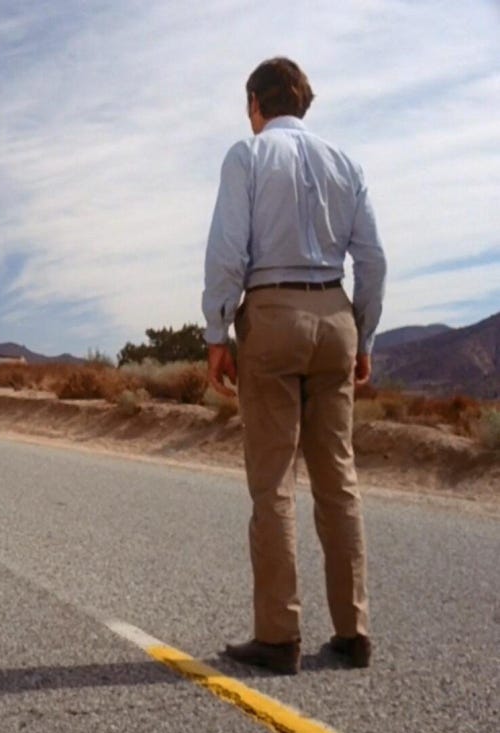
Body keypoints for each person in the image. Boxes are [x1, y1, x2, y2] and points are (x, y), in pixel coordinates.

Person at [202, 57, 387, 675]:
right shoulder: (346, 163)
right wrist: (362, 334)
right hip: (336, 315)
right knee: (338, 478)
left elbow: (229, 249)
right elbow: (374, 259)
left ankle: (279, 637)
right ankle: (353, 630)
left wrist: (216, 328)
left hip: (274, 315)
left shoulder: (248, 156)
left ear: (257, 101)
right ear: (301, 102)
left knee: (274, 480)